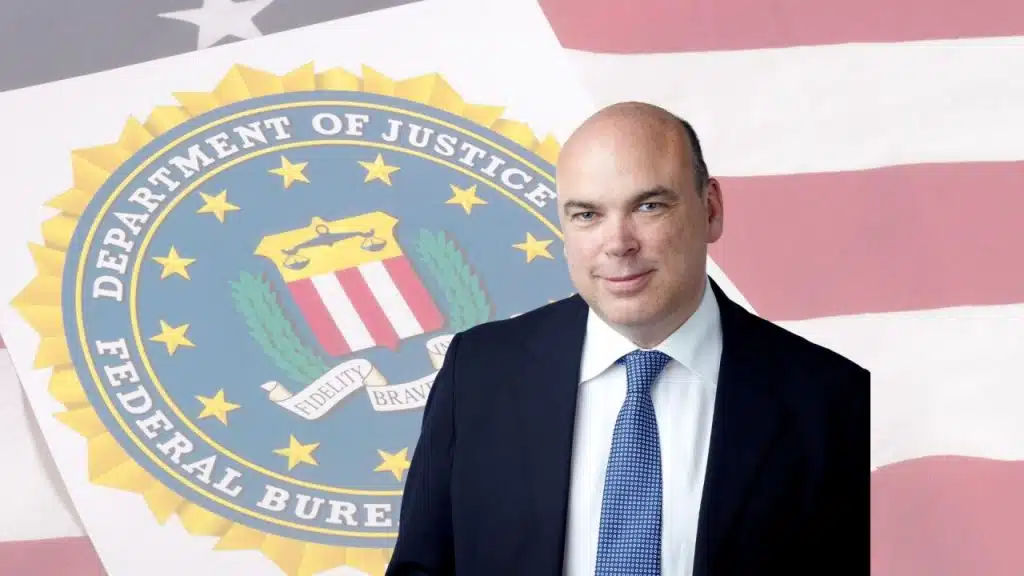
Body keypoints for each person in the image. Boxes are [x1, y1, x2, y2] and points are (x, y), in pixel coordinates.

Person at [385, 102, 870, 575]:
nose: (618, 244)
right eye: (587, 215)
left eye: (649, 206)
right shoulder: (477, 372)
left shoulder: (834, 399)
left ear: (711, 210)